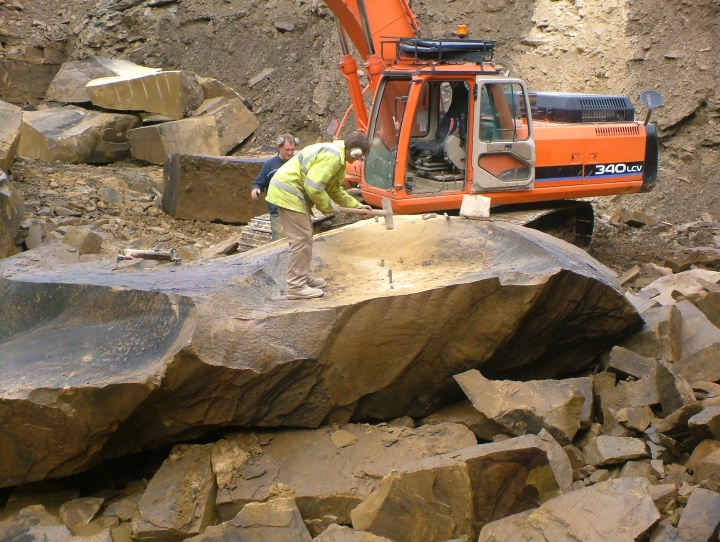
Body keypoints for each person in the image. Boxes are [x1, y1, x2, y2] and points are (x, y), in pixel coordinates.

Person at [266, 131, 373, 300]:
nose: (360, 160)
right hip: (288, 192)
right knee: (301, 238)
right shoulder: (333, 157)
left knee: (305, 236)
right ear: (355, 152)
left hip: (292, 193)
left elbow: (334, 190)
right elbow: (313, 186)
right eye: (361, 156)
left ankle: (302, 276)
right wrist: (327, 207)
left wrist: (358, 207)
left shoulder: (336, 158)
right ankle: (295, 286)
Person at [250, 134, 298, 240]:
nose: (290, 153)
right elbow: (258, 183)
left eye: (292, 149)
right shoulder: (270, 165)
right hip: (278, 212)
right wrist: (256, 189)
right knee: (280, 244)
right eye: (287, 150)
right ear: (279, 147)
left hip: (296, 209)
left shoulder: (297, 163)